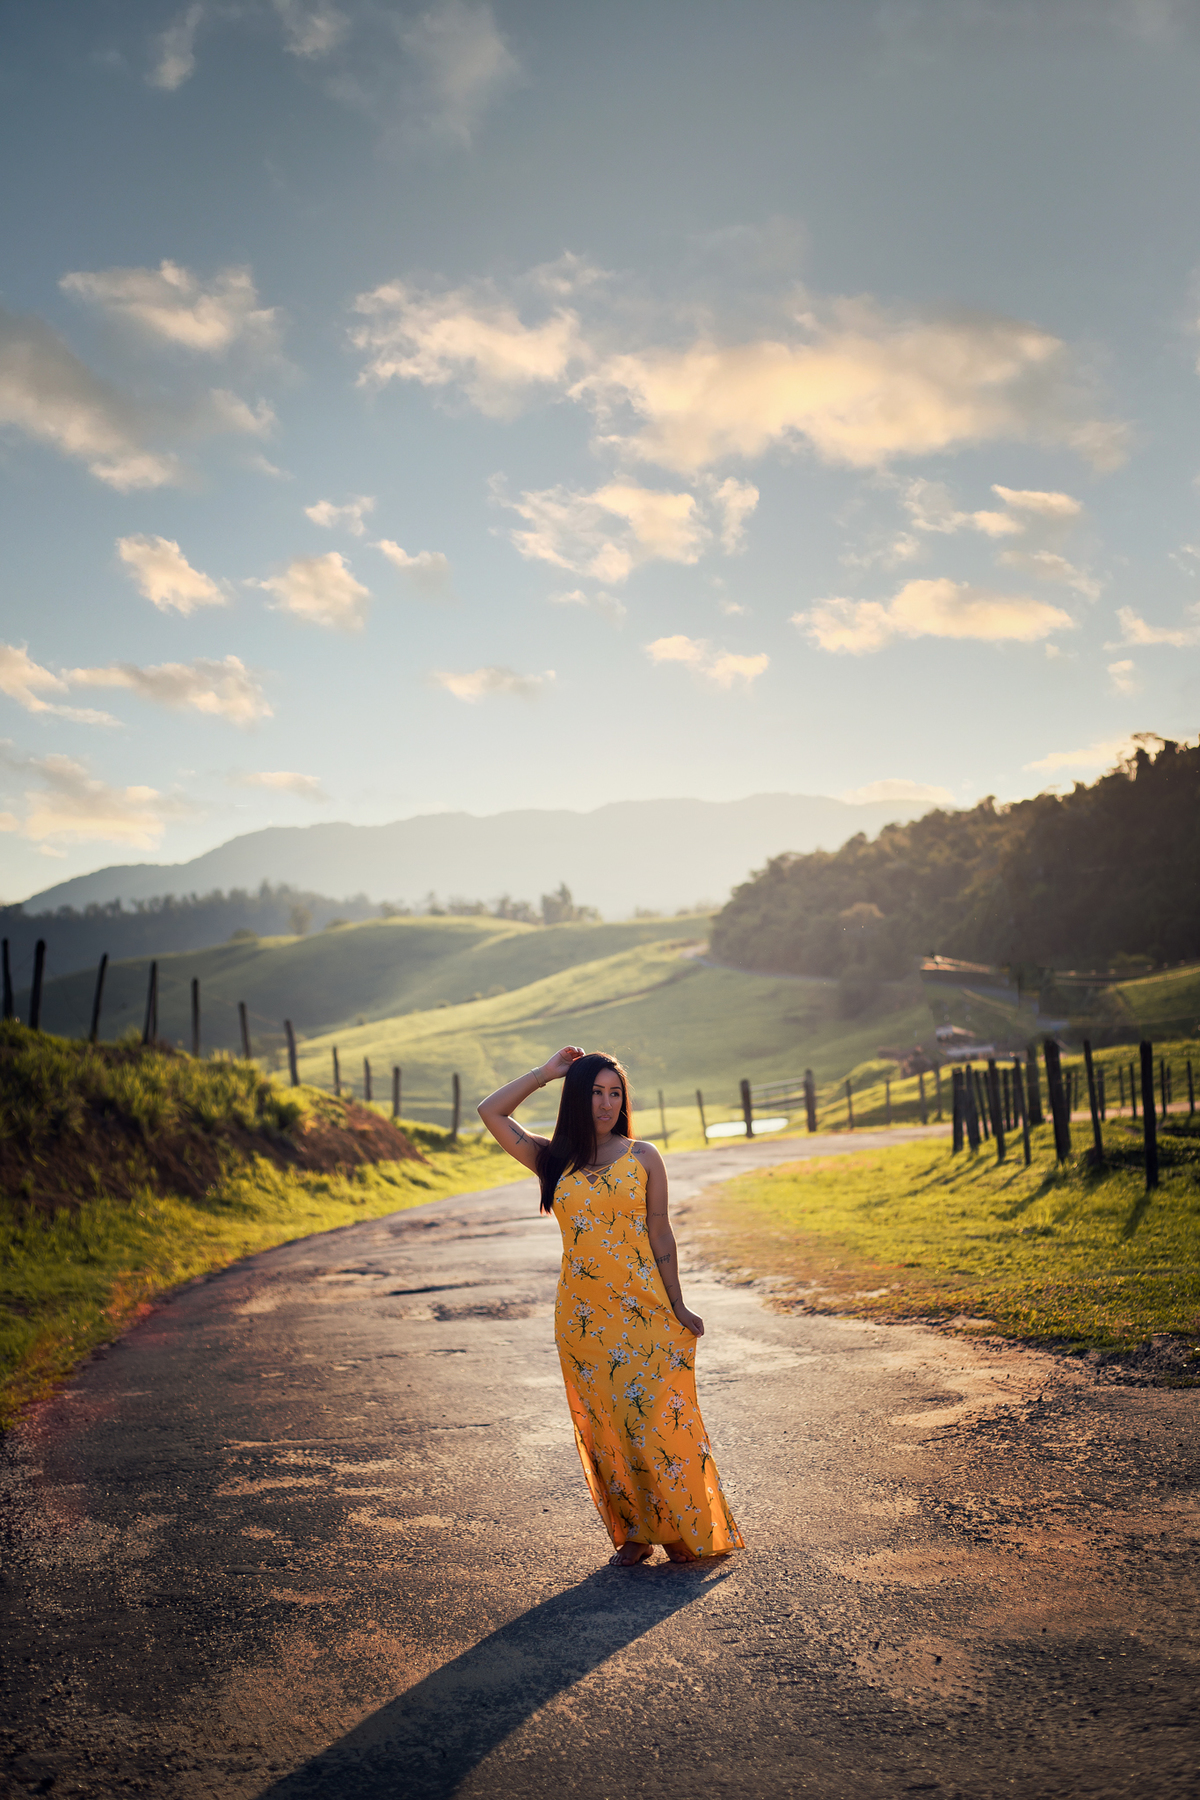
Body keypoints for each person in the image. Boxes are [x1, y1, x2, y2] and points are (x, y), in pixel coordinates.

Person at [478, 1046, 745, 1568]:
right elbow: (491, 1111)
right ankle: (634, 1533)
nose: (606, 1103)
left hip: (646, 1313)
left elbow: (660, 1232)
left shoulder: (644, 1156)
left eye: (614, 1092)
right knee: (607, 1427)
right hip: (582, 1322)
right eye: (595, 1092)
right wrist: (545, 1074)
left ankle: (679, 1526)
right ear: (577, 1097)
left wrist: (679, 1305)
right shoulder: (552, 1159)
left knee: (657, 1423)